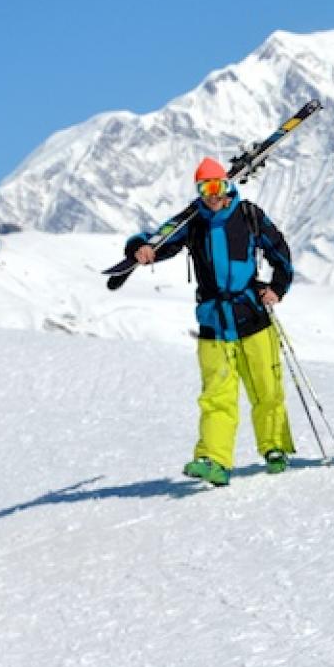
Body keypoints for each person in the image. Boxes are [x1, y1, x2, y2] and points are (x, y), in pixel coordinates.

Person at [128, 156, 297, 486]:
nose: (213, 194)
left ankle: (275, 447)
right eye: (205, 188)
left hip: (253, 317)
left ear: (228, 185)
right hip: (214, 323)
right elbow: (161, 242)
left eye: (218, 186)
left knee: (267, 388)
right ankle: (214, 459)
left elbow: (281, 252)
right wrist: (142, 247)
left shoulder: (249, 216)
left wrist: (277, 288)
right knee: (217, 395)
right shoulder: (194, 222)